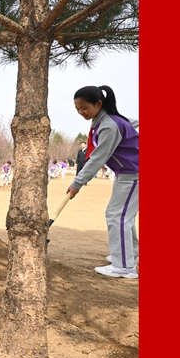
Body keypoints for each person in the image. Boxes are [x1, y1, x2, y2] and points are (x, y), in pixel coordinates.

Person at [66, 85, 139, 279]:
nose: (81, 113)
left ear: (99, 104)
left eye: (84, 108)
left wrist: (77, 183)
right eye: (77, 109)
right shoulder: (103, 120)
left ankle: (124, 266)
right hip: (125, 174)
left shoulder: (109, 125)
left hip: (133, 174)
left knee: (118, 216)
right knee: (121, 215)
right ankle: (130, 254)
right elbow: (134, 122)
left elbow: (98, 158)